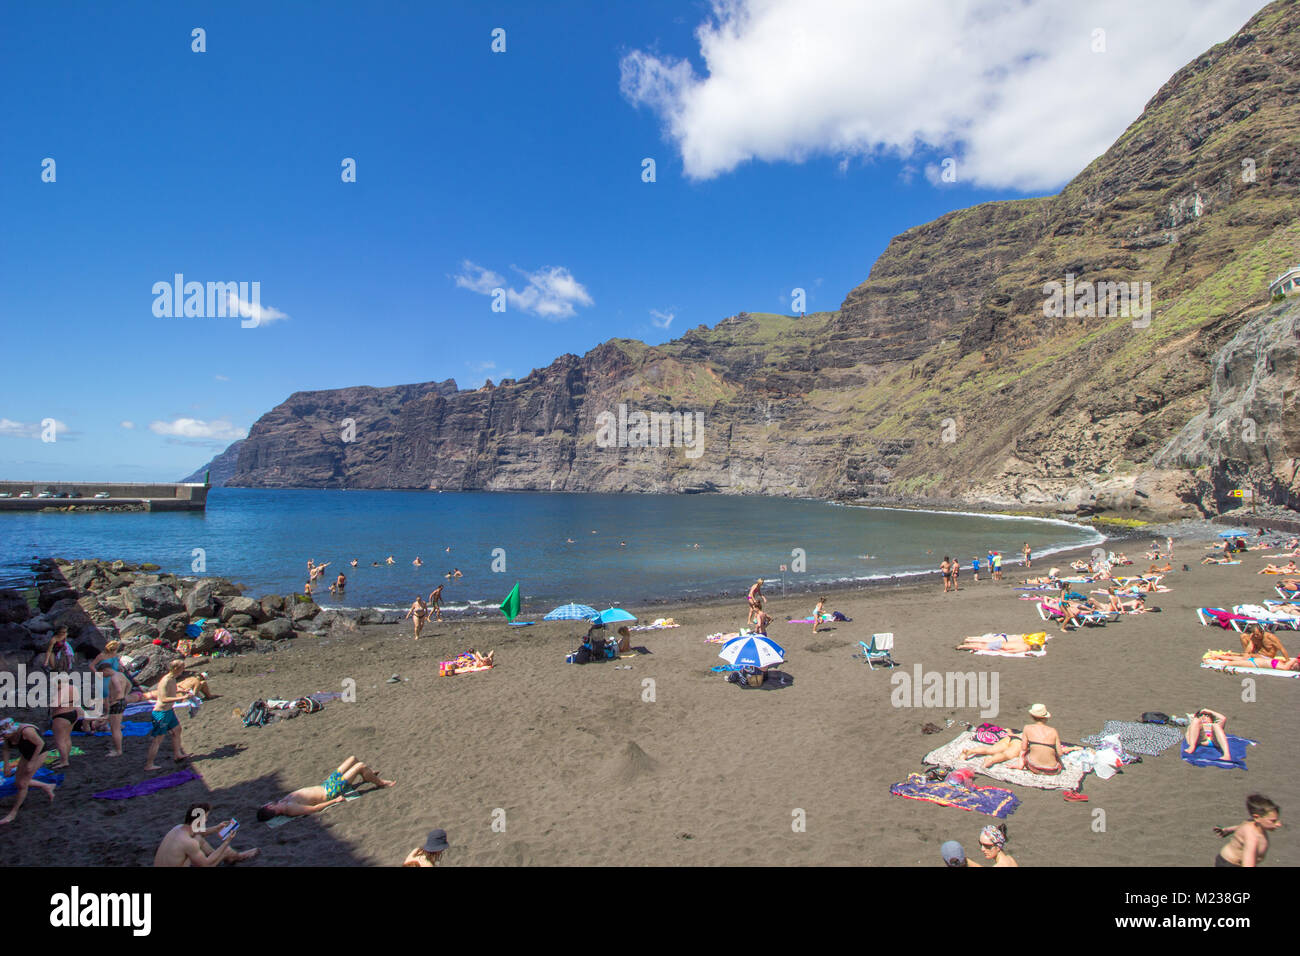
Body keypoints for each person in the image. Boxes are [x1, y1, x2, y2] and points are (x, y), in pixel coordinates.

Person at [256, 756, 395, 820]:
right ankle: (381, 783)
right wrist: (335, 801)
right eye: (266, 805)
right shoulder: (290, 809)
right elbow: (314, 809)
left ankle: (367, 776)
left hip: (326, 784)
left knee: (353, 759)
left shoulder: (281, 802)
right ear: (269, 808)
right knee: (360, 766)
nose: (267, 803)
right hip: (331, 791)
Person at [154, 804, 259, 866]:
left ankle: (219, 855)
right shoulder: (189, 843)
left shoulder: (178, 828)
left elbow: (198, 832)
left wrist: (216, 828)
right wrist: (226, 842)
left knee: (198, 837)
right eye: (205, 818)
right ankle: (236, 857)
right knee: (226, 850)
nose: (207, 820)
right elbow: (206, 864)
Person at [0, 718, 57, 824]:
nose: (3, 737)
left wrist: (32, 762)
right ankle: (47, 786)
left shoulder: (26, 731)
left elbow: (40, 744)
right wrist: (6, 765)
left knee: (23, 784)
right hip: (26, 753)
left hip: (39, 753)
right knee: (18, 782)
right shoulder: (7, 735)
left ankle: (13, 813)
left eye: (4, 735)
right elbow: (6, 749)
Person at [145, 660, 195, 772]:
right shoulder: (165, 680)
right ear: (176, 668)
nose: (184, 669)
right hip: (161, 713)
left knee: (177, 730)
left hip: (169, 711)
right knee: (158, 739)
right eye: (182, 667)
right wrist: (180, 698)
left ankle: (178, 754)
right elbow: (163, 699)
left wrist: (182, 690)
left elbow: (173, 688)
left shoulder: (172, 678)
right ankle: (149, 764)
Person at [1213, 795, 1281, 867]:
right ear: (1257, 817)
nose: (1279, 824)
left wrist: (1228, 830)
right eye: (1273, 821)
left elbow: (1242, 826)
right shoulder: (1252, 838)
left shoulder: (1253, 824)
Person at [1017, 704, 1077, 774]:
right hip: (1052, 769)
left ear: (1032, 716)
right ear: (1046, 717)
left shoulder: (1027, 728)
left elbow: (1023, 748)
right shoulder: (1053, 731)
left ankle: (1020, 765)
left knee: (1024, 752)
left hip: (1034, 767)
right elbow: (1060, 753)